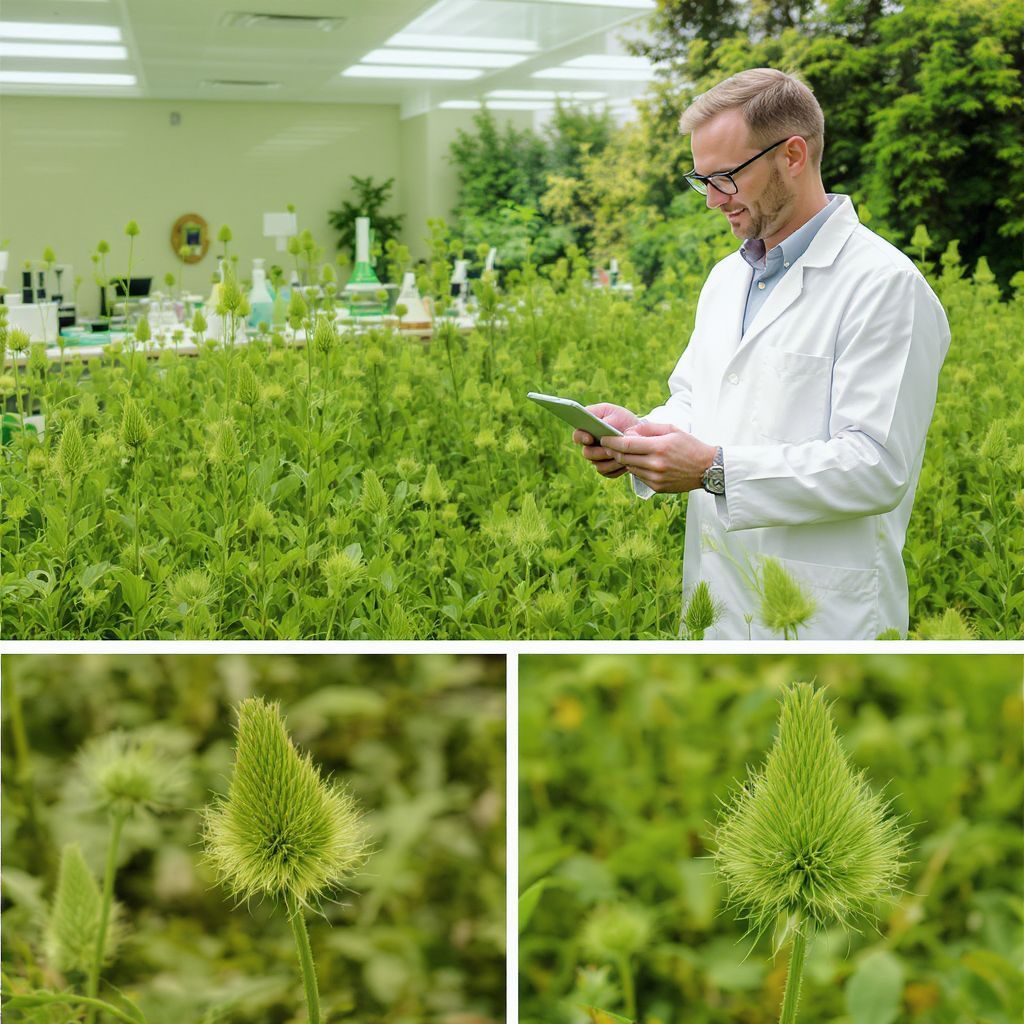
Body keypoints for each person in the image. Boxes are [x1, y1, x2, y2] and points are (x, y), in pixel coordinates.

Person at [574, 68, 950, 639]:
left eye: (725, 178)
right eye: (702, 180)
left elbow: (877, 466)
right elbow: (697, 399)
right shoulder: (728, 278)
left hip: (824, 612)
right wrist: (642, 435)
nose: (712, 201)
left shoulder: (884, 285)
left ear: (793, 155)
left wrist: (714, 471)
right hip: (719, 596)